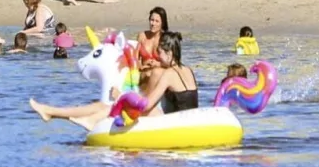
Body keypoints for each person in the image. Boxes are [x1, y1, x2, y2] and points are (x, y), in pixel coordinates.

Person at [29, 31, 198, 129]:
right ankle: (52, 112)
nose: (157, 57)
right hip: (183, 119)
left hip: (173, 123)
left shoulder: (168, 75)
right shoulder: (188, 70)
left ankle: (59, 113)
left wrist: (121, 97)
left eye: (160, 53)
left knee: (108, 106)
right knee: (104, 106)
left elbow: (146, 105)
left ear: (169, 53)